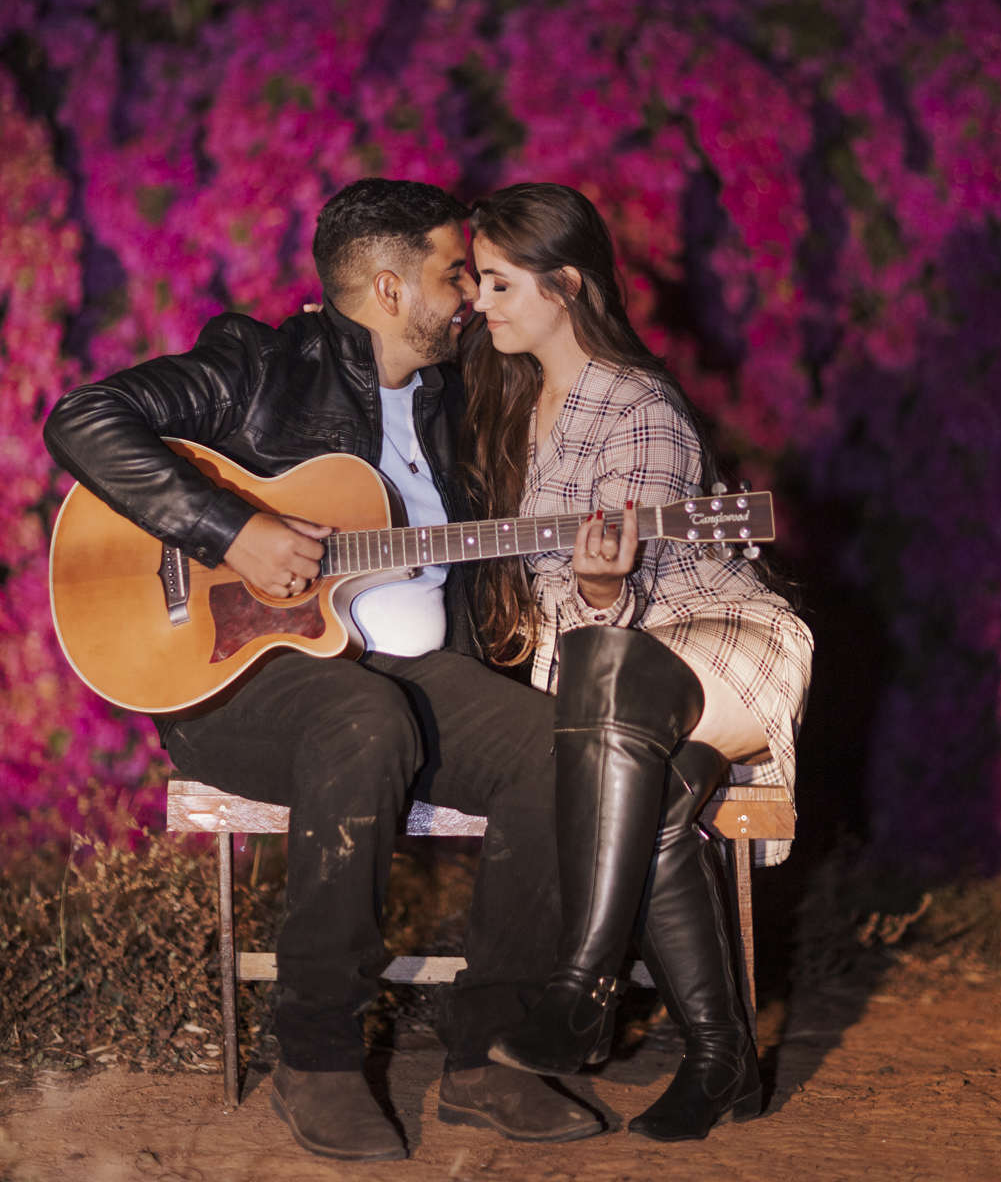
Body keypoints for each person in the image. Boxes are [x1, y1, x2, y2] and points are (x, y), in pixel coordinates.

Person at [44, 178, 604, 1161]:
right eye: (451, 271)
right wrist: (233, 526)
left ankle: (491, 1057)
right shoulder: (259, 366)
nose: (470, 291)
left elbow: (519, 555)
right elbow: (85, 418)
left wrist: (594, 572)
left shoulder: (462, 398)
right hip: (236, 681)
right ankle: (317, 1056)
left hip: (410, 671)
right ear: (386, 289)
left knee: (555, 743)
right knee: (363, 716)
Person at [458, 182, 813, 1143]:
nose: (476, 302)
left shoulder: (639, 407)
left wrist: (606, 592)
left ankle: (580, 988)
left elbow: (631, 621)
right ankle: (722, 1059)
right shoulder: (515, 403)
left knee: (610, 670)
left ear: (564, 283)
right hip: (614, 698)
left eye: (496, 283)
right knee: (650, 813)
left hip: (721, 650)